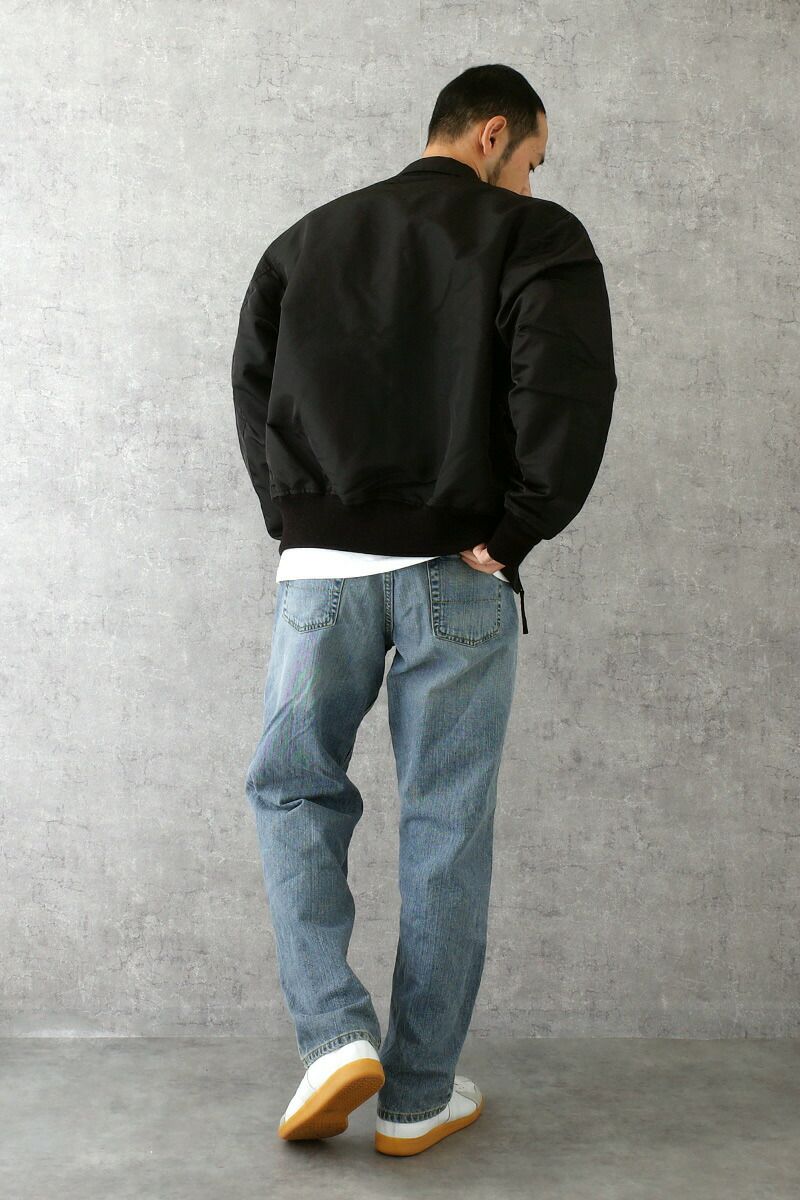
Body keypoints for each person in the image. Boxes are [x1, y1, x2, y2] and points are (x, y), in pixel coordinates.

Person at [231, 62, 617, 1157]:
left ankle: (331, 1039)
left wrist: (298, 520)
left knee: (293, 790)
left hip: (322, 570)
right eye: (532, 159)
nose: (532, 183)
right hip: (461, 566)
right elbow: (567, 385)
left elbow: (253, 385)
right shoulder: (534, 236)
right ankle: (415, 1097)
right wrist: (518, 528)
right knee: (446, 821)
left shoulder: (308, 239)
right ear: (492, 134)